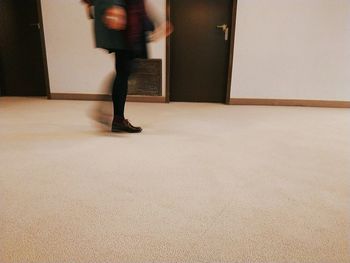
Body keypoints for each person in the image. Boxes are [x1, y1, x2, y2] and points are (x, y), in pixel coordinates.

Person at [82, 0, 171, 133]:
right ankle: (113, 116)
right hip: (124, 20)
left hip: (128, 18)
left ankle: (115, 117)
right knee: (125, 68)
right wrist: (116, 5)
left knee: (125, 68)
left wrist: (159, 22)